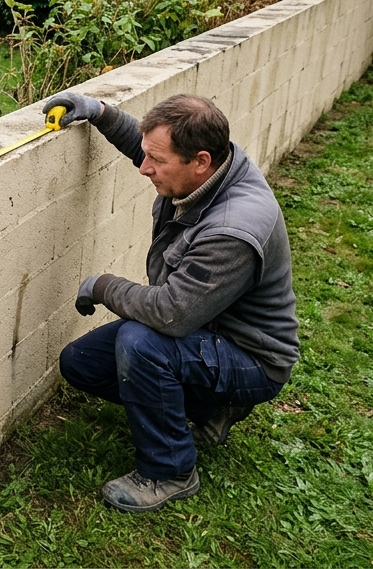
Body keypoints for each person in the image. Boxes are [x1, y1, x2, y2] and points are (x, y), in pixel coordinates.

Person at [43, 91, 300, 513]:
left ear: (200, 161)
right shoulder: (213, 168)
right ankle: (211, 407)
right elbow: (148, 150)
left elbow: (170, 313)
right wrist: (100, 112)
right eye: (148, 157)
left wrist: (102, 285)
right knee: (81, 363)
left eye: (156, 163)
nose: (145, 169)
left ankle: (170, 471)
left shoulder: (233, 230)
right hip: (210, 329)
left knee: (142, 343)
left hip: (252, 357)